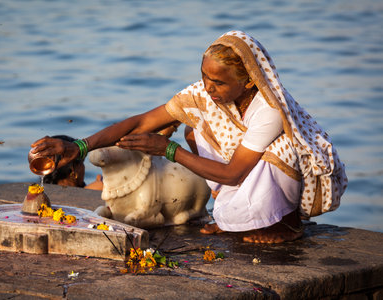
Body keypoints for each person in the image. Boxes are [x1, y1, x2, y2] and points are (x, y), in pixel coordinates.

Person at [31, 30, 347, 243]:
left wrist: (169, 150)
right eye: (204, 77)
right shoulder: (206, 95)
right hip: (237, 170)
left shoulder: (268, 110)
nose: (208, 89)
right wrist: (79, 147)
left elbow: (234, 173)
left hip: (283, 175)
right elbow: (143, 120)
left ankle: (286, 222)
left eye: (218, 83)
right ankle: (232, 214)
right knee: (194, 128)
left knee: (275, 150)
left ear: (248, 83)